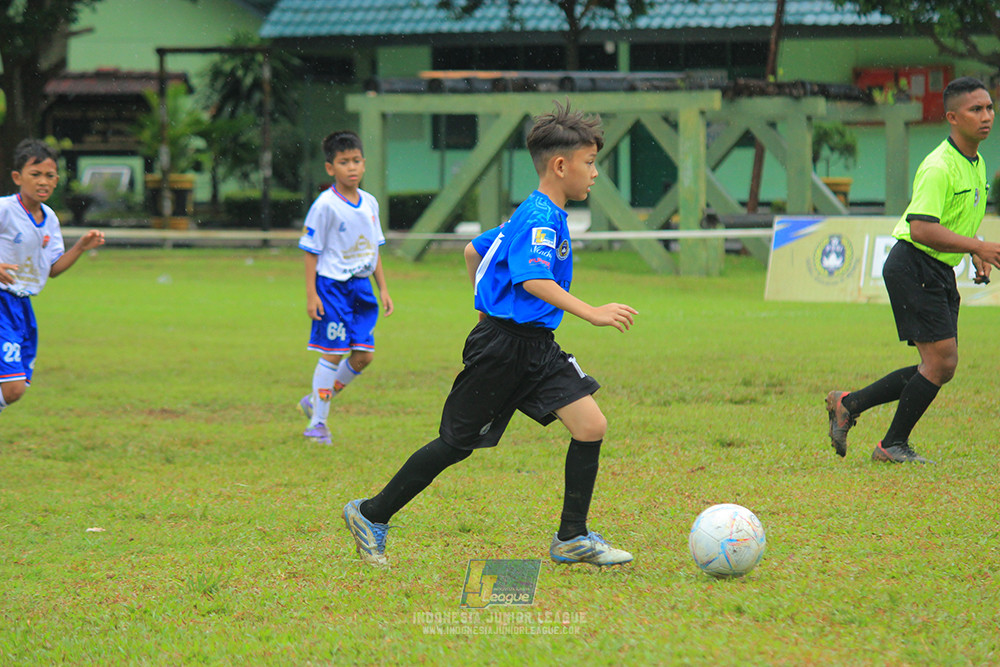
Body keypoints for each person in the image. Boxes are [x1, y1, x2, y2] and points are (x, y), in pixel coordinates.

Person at [343, 101, 638, 567]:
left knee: (591, 425)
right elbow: (532, 280)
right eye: (590, 163)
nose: (594, 173)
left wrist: (486, 313)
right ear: (561, 166)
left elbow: (471, 252)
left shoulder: (535, 212)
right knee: (455, 445)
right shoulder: (540, 218)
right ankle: (370, 513)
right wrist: (591, 313)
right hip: (505, 349)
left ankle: (572, 537)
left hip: (534, 346)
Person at [826, 76, 1000, 464]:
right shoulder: (939, 166)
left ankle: (848, 404)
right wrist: (977, 245)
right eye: (976, 109)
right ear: (953, 117)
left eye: (989, 107)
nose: (986, 116)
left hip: (935, 267)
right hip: (914, 263)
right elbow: (921, 227)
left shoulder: (976, 162)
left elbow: (951, 220)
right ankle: (891, 445)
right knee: (942, 362)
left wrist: (974, 251)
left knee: (939, 365)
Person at [298, 130, 393, 445]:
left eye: (355, 161)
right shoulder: (325, 205)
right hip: (332, 288)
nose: (351, 167)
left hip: (361, 289)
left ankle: (315, 399)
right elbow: (311, 251)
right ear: (330, 168)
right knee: (333, 352)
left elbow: (374, 249)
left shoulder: (370, 203)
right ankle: (318, 424)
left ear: (364, 164)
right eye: (343, 162)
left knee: (364, 355)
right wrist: (312, 295)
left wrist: (383, 289)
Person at [0, 139, 105, 416]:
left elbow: (52, 269)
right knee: (13, 388)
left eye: (49, 175)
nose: (42, 181)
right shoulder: (5, 209)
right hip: (0, 302)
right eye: (35, 175)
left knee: (13, 390)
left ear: (57, 180)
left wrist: (80, 247)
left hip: (22, 307)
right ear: (17, 177)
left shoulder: (49, 219)